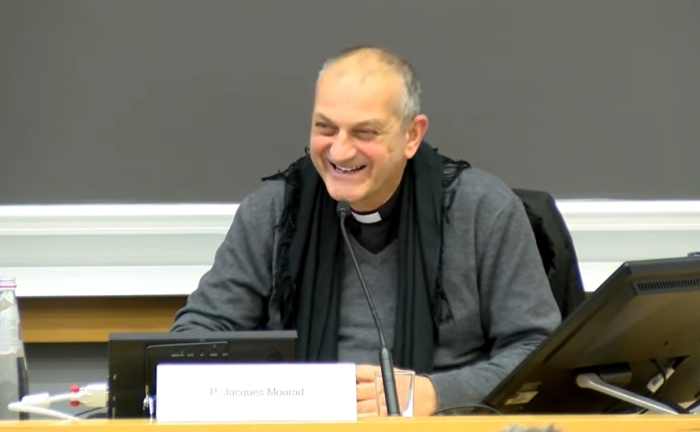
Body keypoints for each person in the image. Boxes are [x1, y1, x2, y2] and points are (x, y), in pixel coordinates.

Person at [170, 45, 562, 417]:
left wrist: (435, 394)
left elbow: (538, 353)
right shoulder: (273, 212)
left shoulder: (483, 211)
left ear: (411, 135)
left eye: (364, 132)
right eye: (326, 128)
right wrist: (279, 393)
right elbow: (194, 341)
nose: (340, 151)